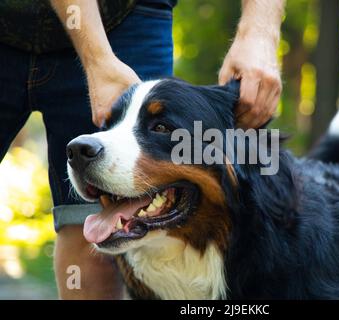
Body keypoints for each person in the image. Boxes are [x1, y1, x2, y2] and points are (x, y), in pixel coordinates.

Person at [0, 0, 284, 299]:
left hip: (129, 16)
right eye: (111, 125)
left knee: (90, 251)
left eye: (161, 128)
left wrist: (259, 33)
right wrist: (97, 58)